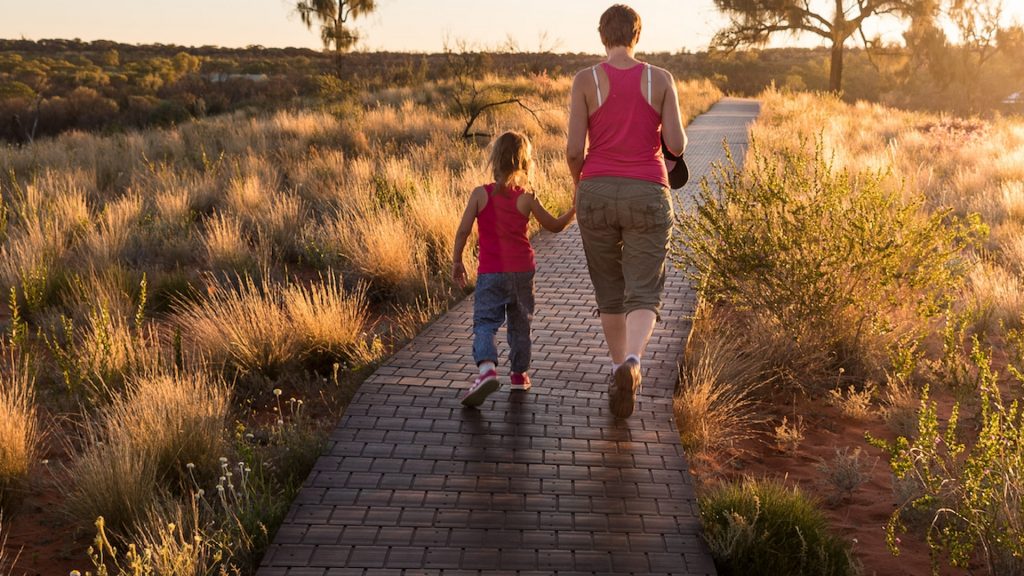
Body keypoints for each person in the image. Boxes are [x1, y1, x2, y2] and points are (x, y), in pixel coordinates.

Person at [566, 4, 687, 418]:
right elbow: (677, 143)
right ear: (638, 35)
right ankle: (634, 362)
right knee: (644, 288)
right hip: (648, 191)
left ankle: (617, 365)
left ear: (603, 36)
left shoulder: (585, 80)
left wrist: (580, 183)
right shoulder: (661, 79)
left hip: (596, 189)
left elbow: (572, 149)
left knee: (609, 288)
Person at [453, 131, 576, 407]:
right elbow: (554, 226)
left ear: (494, 159)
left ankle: (486, 371)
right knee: (521, 324)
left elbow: (462, 232)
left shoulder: (479, 195)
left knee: (485, 322)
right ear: (524, 163)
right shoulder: (527, 198)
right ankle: (519, 375)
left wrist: (457, 260)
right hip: (522, 272)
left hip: (491, 272)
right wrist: (573, 210)